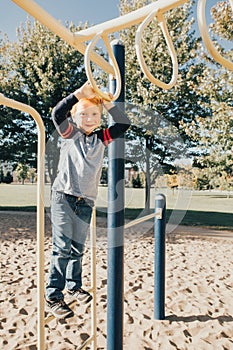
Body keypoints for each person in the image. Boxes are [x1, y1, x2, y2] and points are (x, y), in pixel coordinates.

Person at [45, 81, 130, 319]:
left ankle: (74, 285)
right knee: (61, 248)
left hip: (86, 200)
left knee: (78, 248)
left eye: (94, 114)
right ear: (75, 117)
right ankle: (53, 295)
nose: (90, 118)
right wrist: (77, 95)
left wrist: (107, 103)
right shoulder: (69, 133)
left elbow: (123, 124)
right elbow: (57, 113)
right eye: (84, 114)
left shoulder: (102, 138)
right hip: (64, 197)